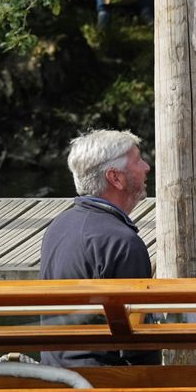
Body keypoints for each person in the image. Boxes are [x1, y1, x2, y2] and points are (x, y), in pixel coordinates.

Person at [39, 129, 158, 368]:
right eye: (137, 160)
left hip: (55, 373)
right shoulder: (122, 242)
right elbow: (138, 343)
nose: (146, 167)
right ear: (115, 178)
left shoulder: (58, 226)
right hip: (104, 383)